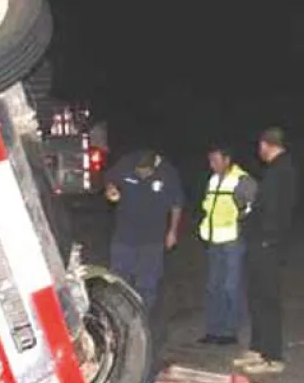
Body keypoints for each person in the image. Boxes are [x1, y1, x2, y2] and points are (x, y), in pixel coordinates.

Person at [235, 127, 297, 374]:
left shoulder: (282, 170)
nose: (258, 151)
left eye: (260, 146)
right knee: (257, 296)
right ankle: (259, 348)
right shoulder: (277, 169)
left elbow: (276, 210)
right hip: (261, 243)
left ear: (266, 144)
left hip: (267, 245)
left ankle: (272, 356)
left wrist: (267, 238)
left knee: (267, 298)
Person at [104, 149, 184, 310]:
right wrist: (110, 189)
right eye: (138, 172)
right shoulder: (125, 163)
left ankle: (143, 317)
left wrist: (172, 231)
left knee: (147, 283)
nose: (141, 176)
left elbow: (177, 204)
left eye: (145, 172)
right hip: (124, 236)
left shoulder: (168, 173)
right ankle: (120, 316)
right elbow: (109, 179)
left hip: (152, 238)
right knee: (118, 281)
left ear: (154, 166)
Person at [197, 145, 257, 345]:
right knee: (213, 286)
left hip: (233, 240)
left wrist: (242, 223)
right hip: (214, 240)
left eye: (215, 160)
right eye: (210, 160)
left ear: (227, 159)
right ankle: (213, 330)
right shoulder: (213, 180)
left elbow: (254, 208)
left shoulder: (242, 180)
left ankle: (229, 332)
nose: (211, 164)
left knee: (231, 287)